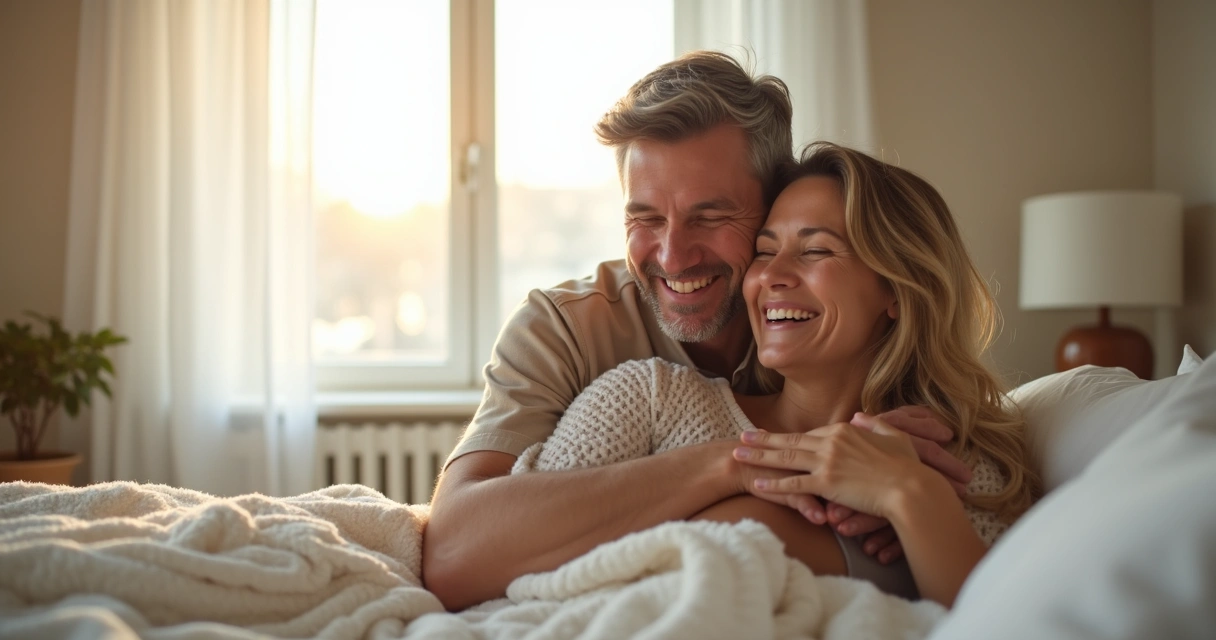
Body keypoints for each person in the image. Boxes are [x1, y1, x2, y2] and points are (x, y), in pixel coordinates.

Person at [422, 51, 973, 611]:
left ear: (774, 202)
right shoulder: (569, 333)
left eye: (709, 217)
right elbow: (456, 554)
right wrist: (763, 462)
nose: (673, 255)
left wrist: (899, 490)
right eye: (646, 218)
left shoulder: (921, 435)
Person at [513, 142, 1042, 606]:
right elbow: (504, 560)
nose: (771, 276)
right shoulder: (648, 399)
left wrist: (906, 492)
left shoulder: (957, 467)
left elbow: (1005, 621)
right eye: (765, 251)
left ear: (898, 291)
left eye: (814, 250)